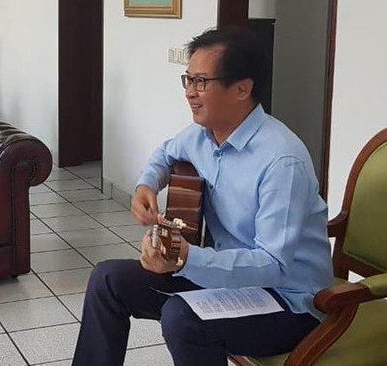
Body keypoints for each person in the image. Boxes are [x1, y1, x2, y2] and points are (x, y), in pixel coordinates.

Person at [72, 28, 334, 366]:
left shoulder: (282, 160)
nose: (189, 93)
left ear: (242, 88)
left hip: (287, 301)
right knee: (108, 280)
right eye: (188, 80)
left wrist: (186, 259)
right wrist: (146, 186)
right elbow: (165, 154)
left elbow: (273, 265)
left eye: (201, 82)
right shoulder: (201, 136)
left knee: (182, 318)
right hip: (226, 280)